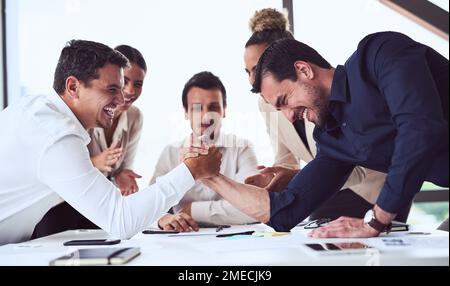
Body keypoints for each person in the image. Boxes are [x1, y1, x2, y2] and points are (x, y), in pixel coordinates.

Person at [202, 31, 448, 238]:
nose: (289, 116)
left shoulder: (380, 53)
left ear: (304, 70)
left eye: (285, 100)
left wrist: (376, 220)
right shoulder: (332, 140)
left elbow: (419, 130)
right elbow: (285, 212)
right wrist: (211, 177)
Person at [0, 40, 221, 245]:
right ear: (73, 87)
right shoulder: (56, 136)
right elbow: (120, 221)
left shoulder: (36, 111)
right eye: (112, 89)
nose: (122, 97)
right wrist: (191, 170)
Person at [243, 8, 391, 221]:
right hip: (329, 184)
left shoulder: (318, 95)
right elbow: (286, 159)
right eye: (247, 72)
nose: (251, 80)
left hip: (371, 186)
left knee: (317, 229)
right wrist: (274, 177)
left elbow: (351, 166)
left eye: (257, 69)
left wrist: (299, 179)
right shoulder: (266, 104)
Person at [31, 45, 149, 237]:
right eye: (120, 84)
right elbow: (64, 168)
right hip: (60, 204)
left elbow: (121, 170)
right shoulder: (73, 119)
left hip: (97, 204)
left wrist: (121, 175)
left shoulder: (135, 118)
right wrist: (97, 163)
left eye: (138, 84)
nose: (128, 92)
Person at [150, 71, 258, 231]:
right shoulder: (170, 153)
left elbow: (253, 208)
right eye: (196, 108)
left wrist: (191, 210)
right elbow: (149, 207)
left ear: (224, 110)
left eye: (214, 107)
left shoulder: (242, 149)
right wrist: (163, 219)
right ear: (186, 113)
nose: (206, 116)